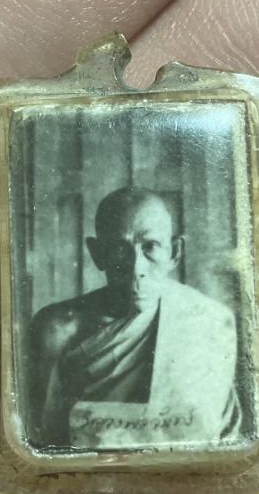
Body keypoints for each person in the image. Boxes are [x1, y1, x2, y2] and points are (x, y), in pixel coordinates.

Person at [28, 186, 242, 449]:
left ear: (174, 252)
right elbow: (40, 440)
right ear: (97, 253)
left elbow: (221, 439)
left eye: (150, 247)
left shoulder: (211, 322)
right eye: (119, 249)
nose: (136, 267)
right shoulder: (57, 330)